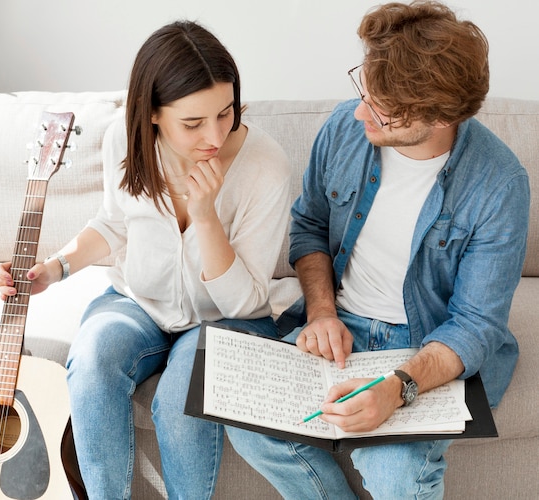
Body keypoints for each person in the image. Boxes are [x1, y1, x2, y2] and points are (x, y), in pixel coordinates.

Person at [225, 1, 530, 499]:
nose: (361, 112)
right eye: (363, 90)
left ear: (439, 116)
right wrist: (322, 312)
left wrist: (397, 388)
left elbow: (476, 324)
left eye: (382, 108)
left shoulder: (500, 185)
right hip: (341, 328)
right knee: (245, 420)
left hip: (425, 345)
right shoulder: (347, 127)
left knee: (395, 476)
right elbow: (310, 224)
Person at [0, 20, 291, 499]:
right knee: (90, 361)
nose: (214, 135)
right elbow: (113, 224)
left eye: (226, 113)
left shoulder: (264, 165)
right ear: (151, 114)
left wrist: (207, 218)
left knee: (179, 400)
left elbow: (245, 303)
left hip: (228, 321)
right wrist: (53, 269)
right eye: (192, 123)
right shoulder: (124, 143)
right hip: (139, 303)